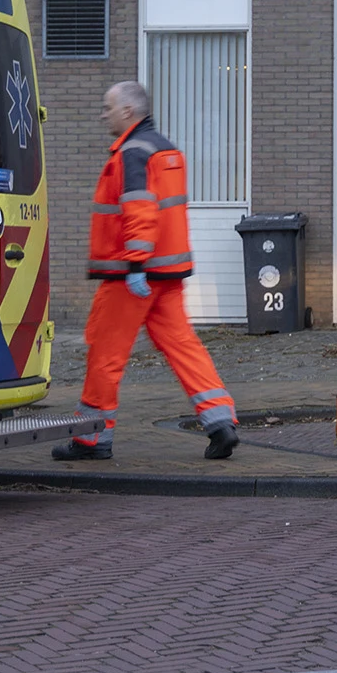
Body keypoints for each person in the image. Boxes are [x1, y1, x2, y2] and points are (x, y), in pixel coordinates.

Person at [55, 81, 240, 462]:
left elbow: (140, 210)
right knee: (183, 346)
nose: (102, 114)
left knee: (105, 353)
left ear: (127, 112)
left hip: (132, 276)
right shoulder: (165, 149)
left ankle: (92, 438)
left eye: (107, 108)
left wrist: (136, 263)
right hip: (168, 274)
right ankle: (220, 422)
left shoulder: (132, 153)